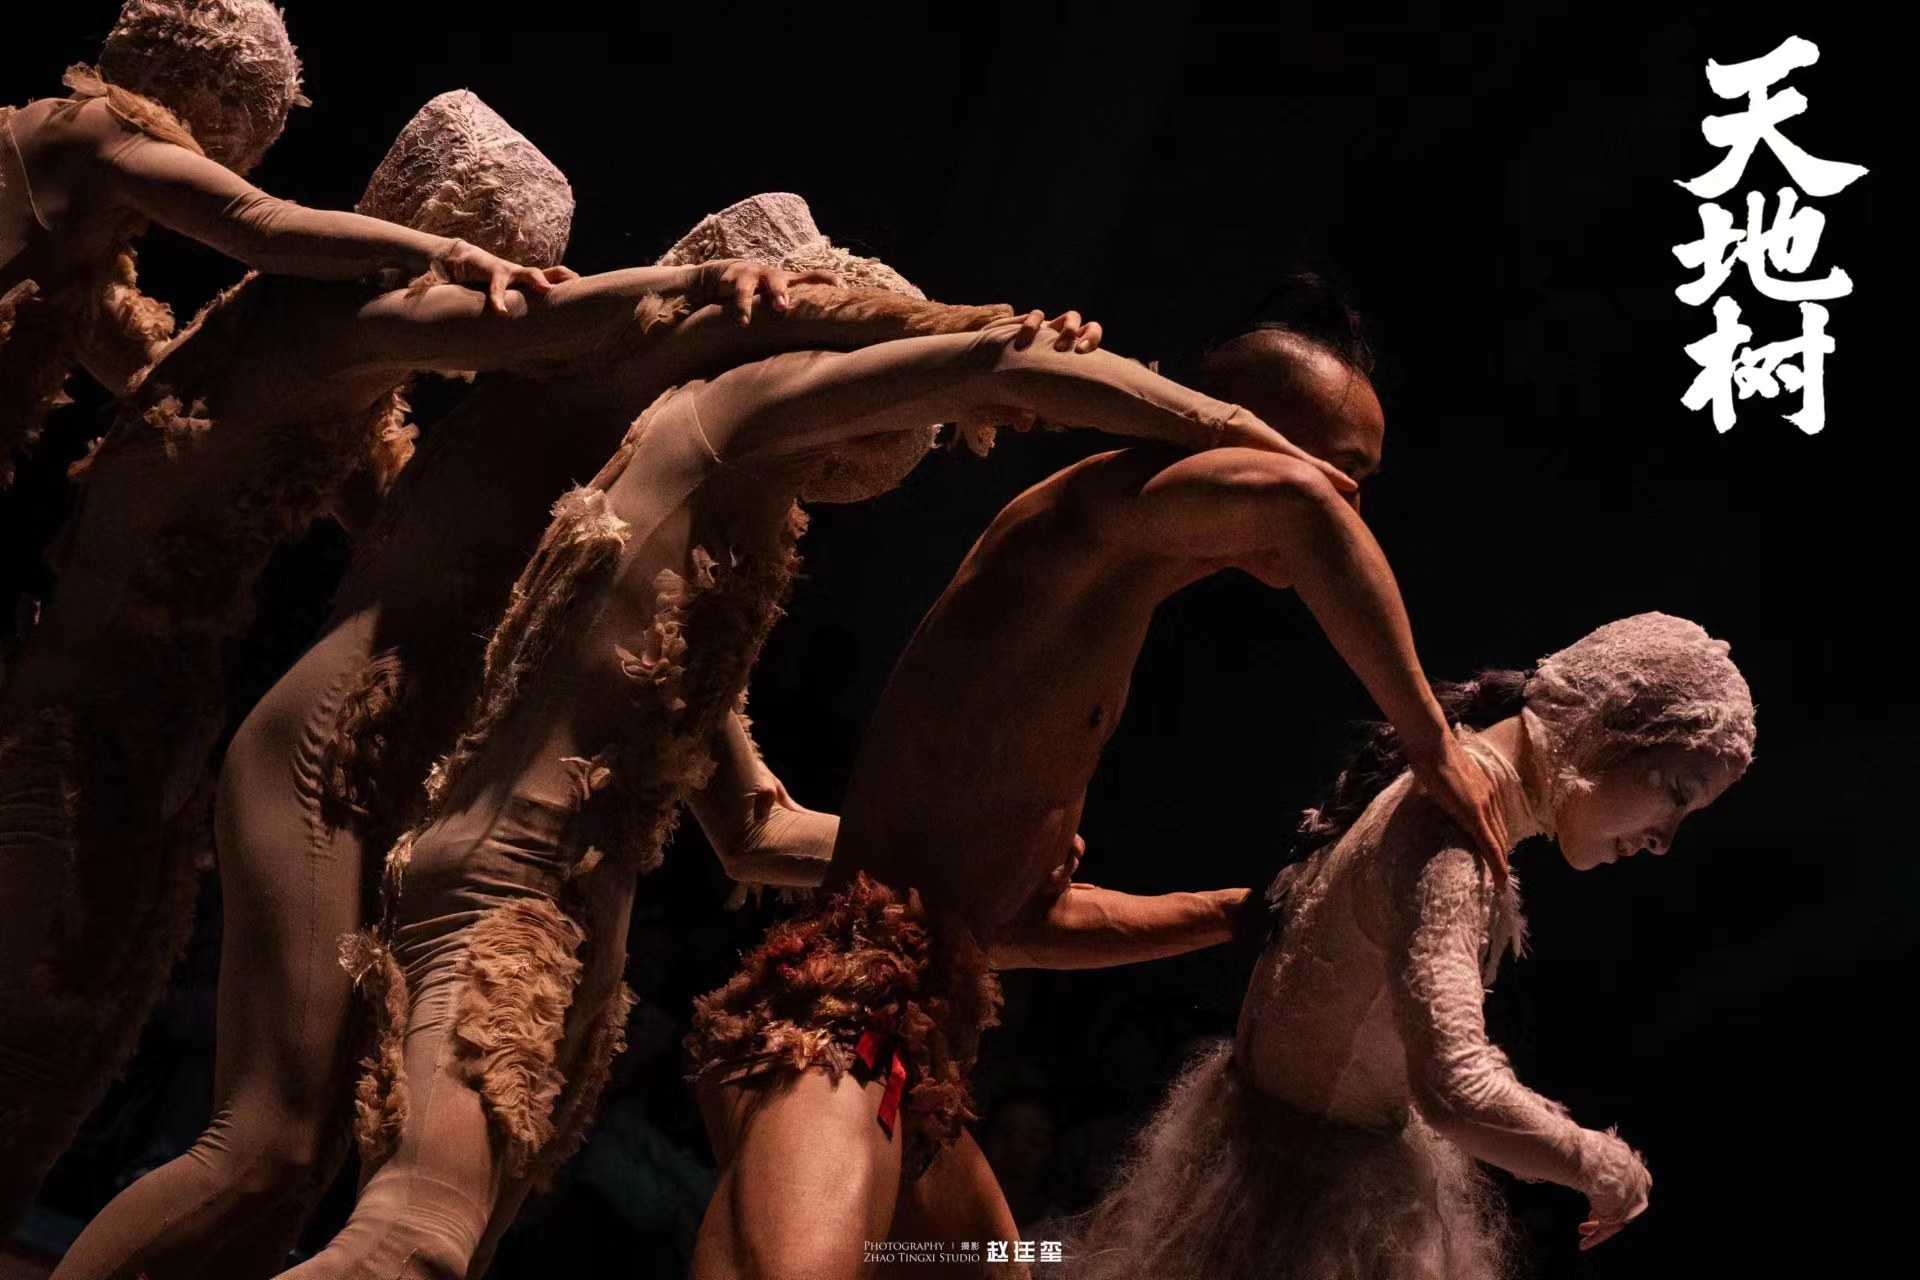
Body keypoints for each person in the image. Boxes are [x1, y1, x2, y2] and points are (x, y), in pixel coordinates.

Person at [274, 192, 1337, 1280]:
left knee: (992, 1263)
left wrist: (981, 849)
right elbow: (992, 367)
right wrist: (1249, 445)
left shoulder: (727, 540)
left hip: (635, 940)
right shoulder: (722, 416)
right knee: (407, 1235)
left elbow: (754, 830)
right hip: (689, 961)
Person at [46, 189, 1088, 1280]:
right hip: (346, 757)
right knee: (271, 1150)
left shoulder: (672, 499)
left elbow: (750, 827)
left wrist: (965, 866)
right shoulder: (590, 394)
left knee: (315, 1182)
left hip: (433, 798)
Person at [0, 95, 834, 1229]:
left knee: (179, 1107)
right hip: (212, 725)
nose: (509, 284)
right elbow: (495, 308)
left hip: (196, 716)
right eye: (503, 258)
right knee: (218, 1124)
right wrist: (701, 295)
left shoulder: (548, 453)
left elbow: (749, 820)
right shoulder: (360, 316)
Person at [683, 272, 1511, 1280]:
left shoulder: (1116, 600)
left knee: (1013, 1262)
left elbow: (1014, 924)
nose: (1352, 504)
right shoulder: (1079, 523)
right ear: (1247, 434)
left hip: (908, 1057)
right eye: (1343, 468)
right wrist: (1432, 741)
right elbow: (1302, 506)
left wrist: (1236, 913)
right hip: (835, 1027)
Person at [1059, 612, 1756, 1280]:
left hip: (1271, 1161)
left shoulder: (1445, 790)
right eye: (1677, 792)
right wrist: (1604, 1166)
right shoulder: (1453, 839)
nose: (1663, 841)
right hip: (1304, 1208)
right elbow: (1456, 1088)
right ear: (1609, 728)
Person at [1, 0, 556, 486]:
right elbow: (260, 223)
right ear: (217, 97)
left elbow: (132, 365)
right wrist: (449, 252)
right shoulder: (107, 128)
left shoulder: (52, 137)